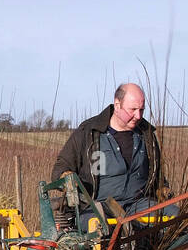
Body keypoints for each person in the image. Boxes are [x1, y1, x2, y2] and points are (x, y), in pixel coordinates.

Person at [49, 82, 167, 233]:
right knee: (101, 227)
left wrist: (163, 188)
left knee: (174, 217)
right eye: (132, 110)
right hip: (96, 207)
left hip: (140, 205)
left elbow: (158, 176)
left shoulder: (147, 134)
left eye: (141, 110)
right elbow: (61, 168)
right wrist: (67, 178)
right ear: (117, 105)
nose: (138, 116)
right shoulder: (89, 132)